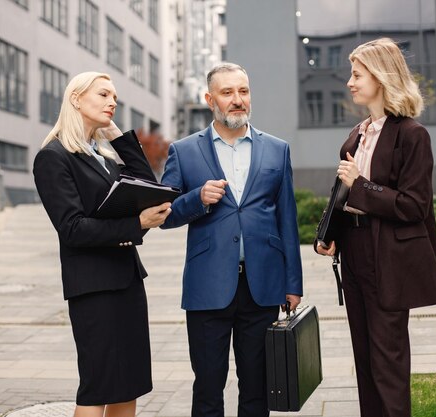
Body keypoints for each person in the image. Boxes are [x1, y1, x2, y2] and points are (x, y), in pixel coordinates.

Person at [315, 38, 436, 417]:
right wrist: (331, 236)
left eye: (357, 75)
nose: (350, 82)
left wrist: (361, 184)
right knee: (365, 359)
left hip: (389, 255)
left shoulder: (412, 135)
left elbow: (413, 205)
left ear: (381, 77)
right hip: (355, 250)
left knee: (387, 361)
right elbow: (343, 193)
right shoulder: (357, 134)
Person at [160, 62, 303, 417]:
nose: (237, 100)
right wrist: (197, 199)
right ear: (210, 99)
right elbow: (163, 214)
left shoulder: (277, 149)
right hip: (207, 286)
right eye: (227, 93)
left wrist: (293, 282)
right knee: (208, 386)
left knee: (257, 387)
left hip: (263, 286)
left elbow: (288, 220)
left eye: (243, 91)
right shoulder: (184, 151)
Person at [33, 71, 171, 417]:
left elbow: (145, 187)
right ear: (76, 99)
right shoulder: (53, 157)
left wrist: (118, 138)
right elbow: (72, 229)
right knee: (98, 386)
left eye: (115, 97)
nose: (112, 102)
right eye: (104, 94)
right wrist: (135, 224)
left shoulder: (104, 157)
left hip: (126, 281)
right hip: (93, 288)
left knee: (130, 384)